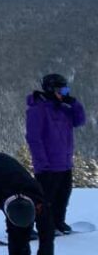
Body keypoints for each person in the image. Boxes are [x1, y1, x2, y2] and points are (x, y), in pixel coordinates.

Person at [26, 73, 86, 234]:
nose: (65, 93)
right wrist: (41, 162)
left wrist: (74, 103)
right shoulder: (37, 110)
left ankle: (57, 223)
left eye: (66, 90)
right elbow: (34, 138)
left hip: (65, 163)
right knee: (42, 199)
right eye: (62, 90)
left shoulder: (63, 109)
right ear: (51, 90)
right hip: (48, 165)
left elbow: (80, 120)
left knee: (62, 197)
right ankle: (28, 226)